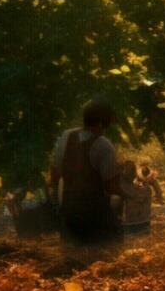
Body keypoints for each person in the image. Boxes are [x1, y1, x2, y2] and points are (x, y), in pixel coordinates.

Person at [49, 99, 122, 247]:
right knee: (113, 248)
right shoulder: (104, 145)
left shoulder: (65, 136)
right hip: (94, 214)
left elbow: (55, 174)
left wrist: (57, 206)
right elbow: (111, 188)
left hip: (69, 211)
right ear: (102, 122)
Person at [118, 161, 165, 237]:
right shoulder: (124, 184)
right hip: (135, 224)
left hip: (138, 223)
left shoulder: (142, 187)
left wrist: (158, 196)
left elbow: (156, 187)